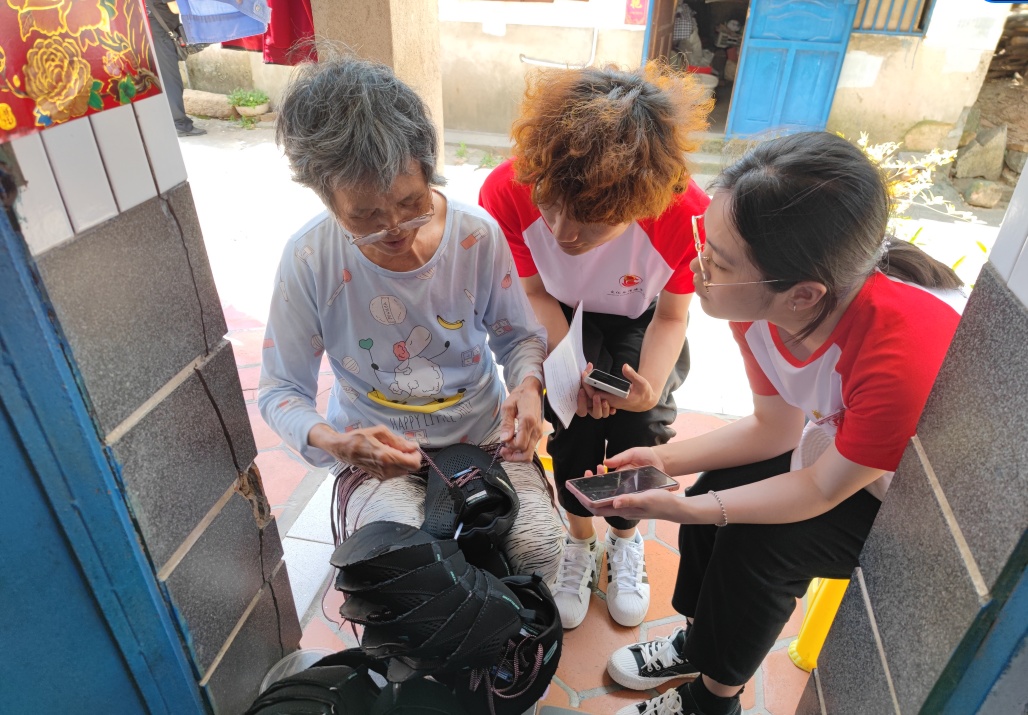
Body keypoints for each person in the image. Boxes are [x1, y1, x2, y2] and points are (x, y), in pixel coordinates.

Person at [592, 132, 966, 715]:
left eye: (717, 262)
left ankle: (713, 701)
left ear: (802, 294)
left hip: (921, 502)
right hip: (839, 451)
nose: (698, 267)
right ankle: (700, 645)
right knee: (717, 491)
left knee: (759, 542)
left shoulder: (903, 355)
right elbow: (775, 429)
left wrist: (687, 508)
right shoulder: (757, 307)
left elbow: (820, 489)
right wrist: (663, 463)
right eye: (703, 243)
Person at [258, 56, 564, 586]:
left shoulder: (476, 236)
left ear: (428, 167)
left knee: (538, 546)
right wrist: (335, 442)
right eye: (366, 216)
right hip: (374, 447)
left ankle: (511, 652)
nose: (395, 228)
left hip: (485, 432)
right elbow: (280, 390)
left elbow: (518, 338)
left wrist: (530, 388)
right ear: (325, 197)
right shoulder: (310, 259)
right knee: (402, 562)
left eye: (411, 202)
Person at [479, 63, 712, 629]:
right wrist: (572, 366)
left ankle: (625, 538)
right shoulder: (507, 189)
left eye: (592, 222)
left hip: (642, 315)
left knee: (641, 427)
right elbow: (532, 289)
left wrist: (648, 387)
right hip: (558, 309)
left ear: (644, 203)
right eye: (552, 206)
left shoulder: (685, 213)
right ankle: (580, 541)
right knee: (573, 425)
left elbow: (674, 313)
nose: (561, 233)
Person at [145, 0, 206, 136]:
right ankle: (179, 124)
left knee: (161, 78)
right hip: (158, 33)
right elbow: (175, 8)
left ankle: (166, 120)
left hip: (150, 29)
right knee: (171, 80)